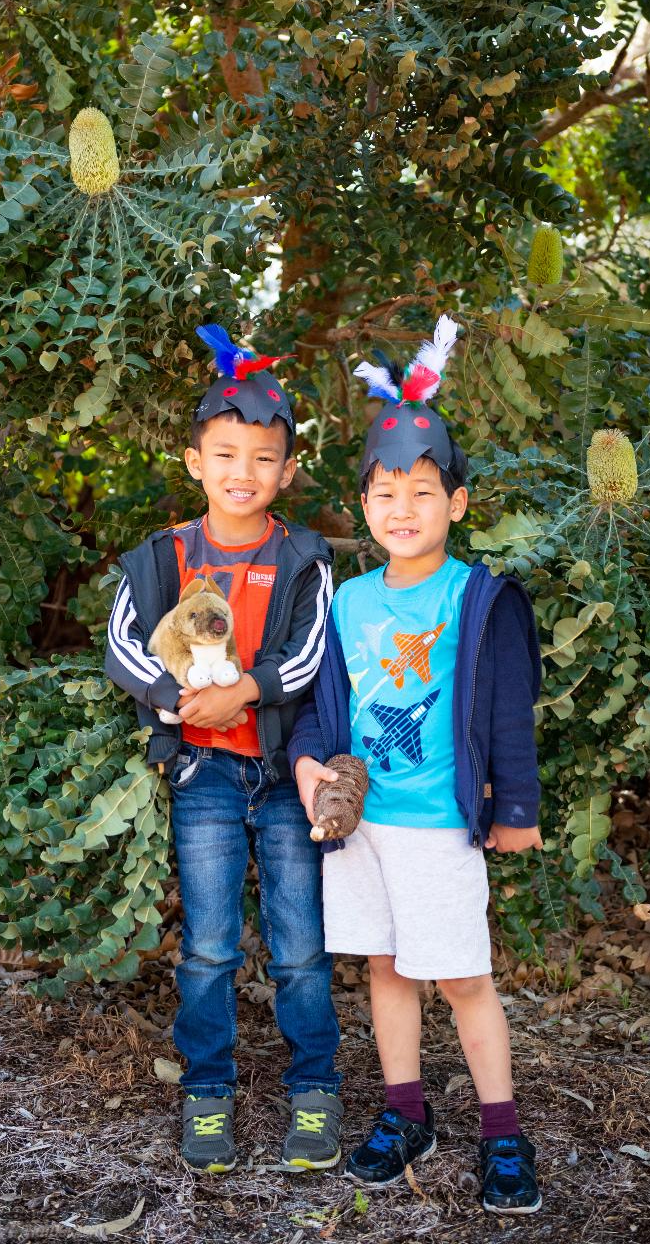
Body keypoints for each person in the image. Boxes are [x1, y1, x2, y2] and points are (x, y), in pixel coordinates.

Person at [288, 316, 544, 1213]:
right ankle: (406, 1114)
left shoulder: (480, 598)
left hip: (439, 824)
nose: (404, 509)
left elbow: (509, 711)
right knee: (385, 968)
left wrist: (516, 807)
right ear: (365, 506)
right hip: (366, 825)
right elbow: (322, 704)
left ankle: (503, 1137)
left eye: (424, 492)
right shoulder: (350, 600)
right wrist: (309, 767)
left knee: (463, 977)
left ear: (457, 504)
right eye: (386, 492)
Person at [104, 324, 342, 1175]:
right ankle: (208, 1094)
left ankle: (315, 1091)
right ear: (196, 460)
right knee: (209, 943)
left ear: (286, 470)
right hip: (203, 774)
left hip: (283, 776)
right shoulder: (165, 557)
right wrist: (174, 699)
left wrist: (246, 690)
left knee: (299, 946)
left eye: (263, 458)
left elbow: (312, 651)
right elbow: (122, 646)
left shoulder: (302, 558)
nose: (244, 472)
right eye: (226, 453)